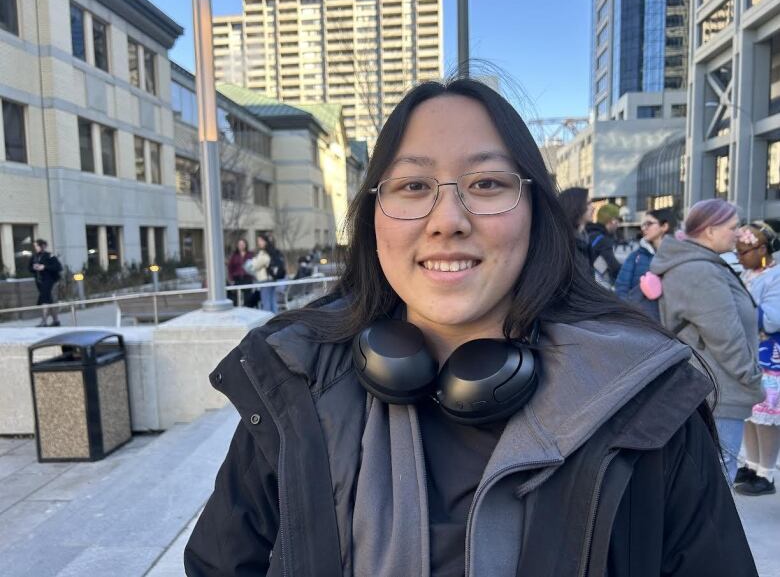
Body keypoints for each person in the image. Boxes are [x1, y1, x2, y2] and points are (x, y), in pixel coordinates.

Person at [184, 79, 757, 577]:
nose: (448, 221)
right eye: (412, 186)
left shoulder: (644, 401)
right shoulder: (295, 387)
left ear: (535, 210)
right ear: (372, 216)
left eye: (486, 184)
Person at [650, 199, 763, 482]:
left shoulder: (699, 264)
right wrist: (750, 376)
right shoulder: (700, 271)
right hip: (718, 390)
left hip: (711, 387)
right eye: (733, 227)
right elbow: (726, 337)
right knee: (718, 482)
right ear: (710, 231)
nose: (738, 234)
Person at [734, 222, 780, 495]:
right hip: (750, 351)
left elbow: (773, 319)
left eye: (745, 250)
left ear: (763, 249)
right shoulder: (749, 273)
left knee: (767, 415)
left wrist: (738, 310)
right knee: (750, 414)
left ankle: (767, 472)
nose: (740, 256)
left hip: (770, 355)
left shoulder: (776, 276)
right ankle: (752, 465)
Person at [614, 207, 677, 319]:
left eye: (649, 224)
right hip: (638, 323)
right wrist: (629, 314)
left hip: (669, 326)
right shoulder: (635, 257)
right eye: (643, 225)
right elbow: (621, 288)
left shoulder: (678, 257)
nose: (644, 228)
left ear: (664, 226)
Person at [558, 186, 594, 269]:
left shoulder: (584, 239)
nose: (593, 207)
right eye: (588, 203)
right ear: (575, 206)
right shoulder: (565, 246)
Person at [586, 203, 622, 286]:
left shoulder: (589, 232)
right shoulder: (602, 240)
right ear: (612, 220)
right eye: (618, 220)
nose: (618, 224)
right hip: (595, 284)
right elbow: (614, 267)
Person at [29, 239, 62, 327]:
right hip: (39, 280)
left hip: (49, 280)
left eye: (37, 246)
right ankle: (56, 320)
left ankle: (44, 321)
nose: (35, 248)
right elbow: (29, 268)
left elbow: (58, 267)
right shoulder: (34, 257)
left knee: (44, 298)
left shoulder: (49, 256)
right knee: (48, 299)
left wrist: (44, 267)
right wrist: (34, 267)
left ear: (42, 246)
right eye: (35, 246)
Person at [226, 238, 254, 307]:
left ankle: (248, 311)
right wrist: (231, 279)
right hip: (237, 279)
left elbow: (254, 266)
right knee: (236, 298)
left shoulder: (250, 254)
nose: (241, 246)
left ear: (246, 245)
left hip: (247, 278)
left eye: (243, 244)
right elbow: (230, 268)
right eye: (240, 244)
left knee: (248, 298)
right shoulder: (234, 256)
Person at [250, 235, 272, 311]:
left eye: (260, 241)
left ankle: (268, 321)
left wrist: (254, 260)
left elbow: (255, 265)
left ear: (265, 241)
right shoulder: (270, 251)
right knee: (271, 300)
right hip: (270, 278)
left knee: (266, 301)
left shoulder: (264, 253)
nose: (258, 243)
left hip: (265, 279)